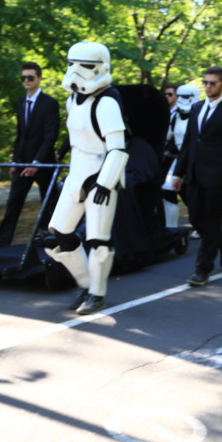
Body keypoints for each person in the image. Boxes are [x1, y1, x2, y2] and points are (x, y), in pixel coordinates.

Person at [45, 41, 128, 315]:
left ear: (100, 68)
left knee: (98, 238)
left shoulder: (107, 101)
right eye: (72, 65)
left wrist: (105, 181)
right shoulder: (73, 100)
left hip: (101, 172)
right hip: (77, 171)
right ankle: (85, 284)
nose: (76, 71)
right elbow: (76, 136)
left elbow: (118, 147)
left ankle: (96, 294)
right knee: (61, 231)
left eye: (85, 66)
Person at [173, 66, 222, 287]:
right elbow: (188, 142)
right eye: (205, 82)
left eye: (212, 83)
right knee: (196, 218)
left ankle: (202, 269)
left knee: (212, 222)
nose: (208, 86)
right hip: (194, 174)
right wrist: (178, 173)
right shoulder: (196, 108)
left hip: (218, 177)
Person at [0, 62, 61, 247]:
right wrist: (15, 161)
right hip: (22, 164)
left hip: (44, 164)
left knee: (49, 206)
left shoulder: (50, 103)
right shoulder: (20, 102)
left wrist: (37, 162)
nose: (26, 81)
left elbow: (50, 137)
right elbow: (20, 135)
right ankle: (1, 247)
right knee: (12, 205)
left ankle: (51, 243)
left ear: (39, 78)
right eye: (23, 77)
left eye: (30, 77)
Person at [161, 84, 199, 228]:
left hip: (197, 159)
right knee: (167, 189)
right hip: (179, 158)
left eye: (186, 97)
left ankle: (200, 226)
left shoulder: (201, 115)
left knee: (193, 194)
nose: (183, 100)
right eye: (180, 96)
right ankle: (171, 228)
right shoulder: (175, 116)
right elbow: (167, 136)